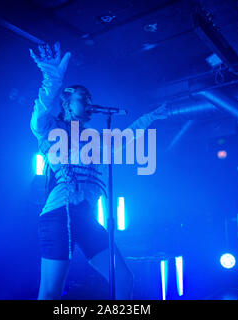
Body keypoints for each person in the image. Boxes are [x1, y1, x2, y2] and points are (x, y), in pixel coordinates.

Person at [29, 42, 169, 300]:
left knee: (124, 280)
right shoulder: (53, 129)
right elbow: (38, 115)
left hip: (86, 215)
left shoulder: (95, 138)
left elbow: (124, 138)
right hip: (62, 212)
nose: (89, 101)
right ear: (68, 104)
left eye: (90, 98)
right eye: (83, 97)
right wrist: (52, 78)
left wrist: (150, 118)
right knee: (50, 292)